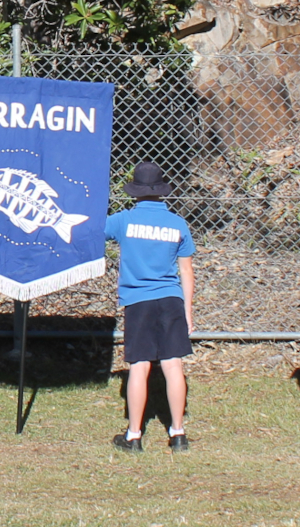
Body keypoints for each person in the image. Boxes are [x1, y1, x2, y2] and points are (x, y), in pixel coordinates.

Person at [105, 162, 196, 453]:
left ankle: (134, 435)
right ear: (161, 191)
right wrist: (188, 312)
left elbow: (93, 232)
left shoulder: (123, 221)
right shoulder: (177, 223)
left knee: (139, 366)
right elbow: (187, 271)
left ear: (135, 191)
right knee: (173, 365)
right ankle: (178, 433)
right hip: (171, 300)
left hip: (138, 301)